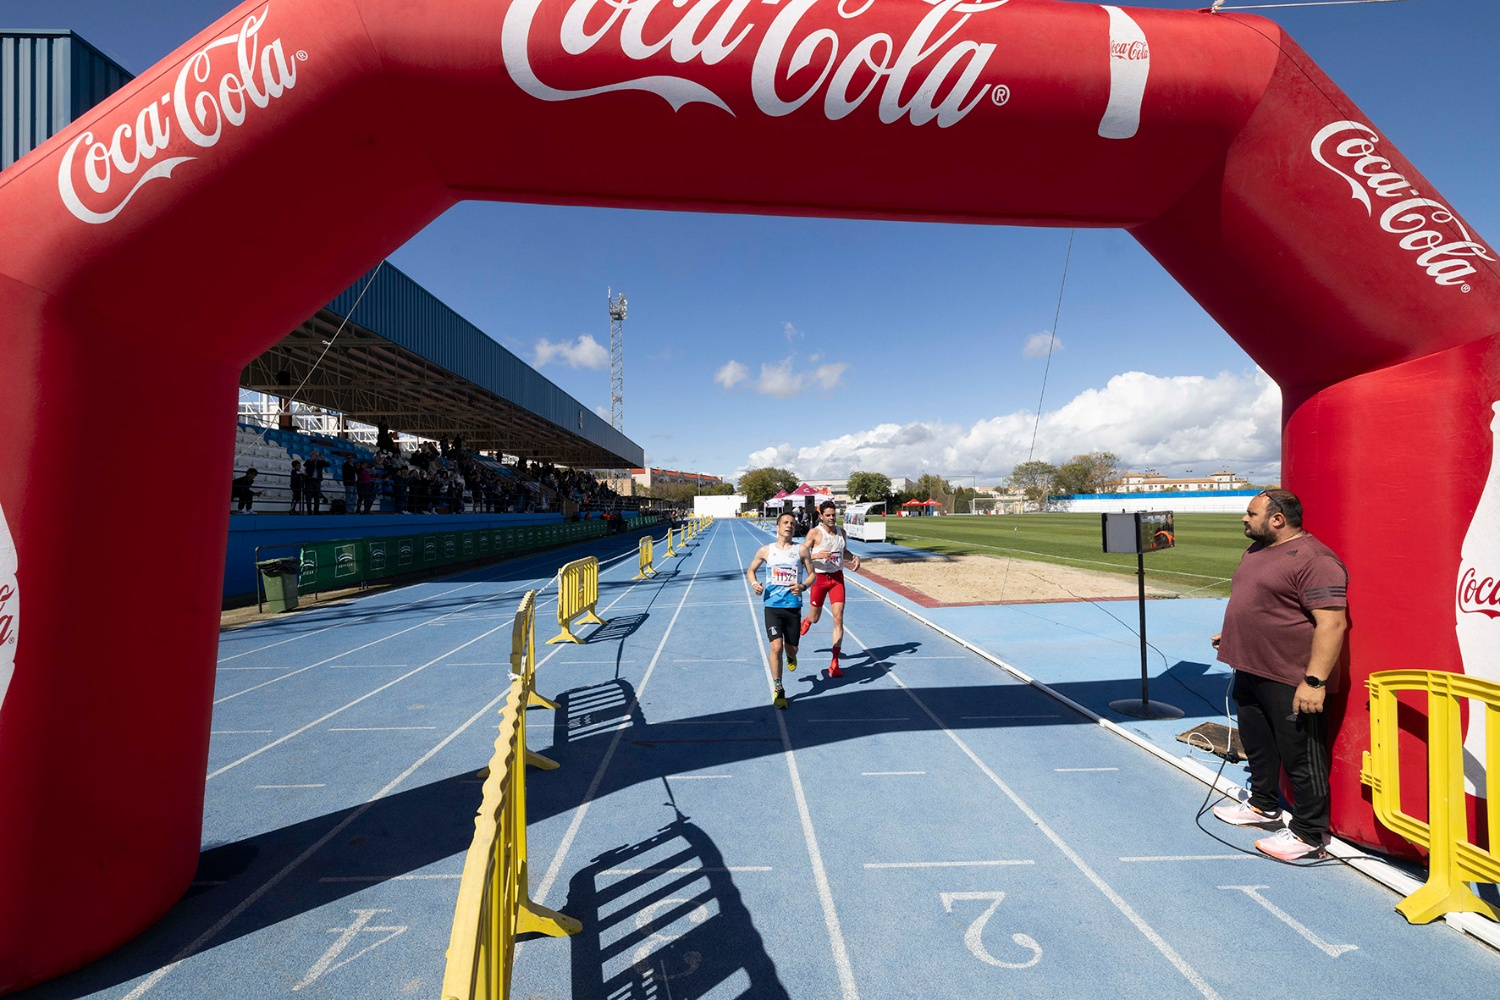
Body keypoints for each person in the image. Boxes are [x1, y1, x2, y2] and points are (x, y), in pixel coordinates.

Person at [1211, 488, 1349, 862]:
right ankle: (1262, 805)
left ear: (1277, 520)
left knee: (1302, 756)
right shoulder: (1258, 550)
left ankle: (1309, 833)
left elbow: (1333, 624)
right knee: (1258, 744)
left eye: (1251, 513)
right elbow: (1262, 600)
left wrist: (1314, 681)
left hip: (1291, 677)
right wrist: (1235, 632)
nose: (1244, 518)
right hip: (1251, 666)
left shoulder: (1316, 560)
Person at [747, 512, 816, 709]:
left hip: (793, 607)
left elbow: (812, 576)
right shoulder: (766, 551)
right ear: (777, 527)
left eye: (792, 523)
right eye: (785, 522)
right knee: (775, 647)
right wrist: (754, 584)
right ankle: (778, 687)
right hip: (772, 607)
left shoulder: (801, 550)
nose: (789, 525)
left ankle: (791, 656)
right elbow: (751, 570)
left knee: (791, 648)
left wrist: (803, 587)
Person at [800, 499, 862, 677]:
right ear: (821, 516)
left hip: (836, 578)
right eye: (828, 515)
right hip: (819, 578)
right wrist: (815, 554)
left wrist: (854, 557)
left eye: (834, 515)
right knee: (815, 617)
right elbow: (800, 554)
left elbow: (844, 552)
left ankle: (835, 663)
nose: (831, 518)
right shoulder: (814, 533)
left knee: (838, 618)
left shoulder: (841, 533)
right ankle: (807, 621)